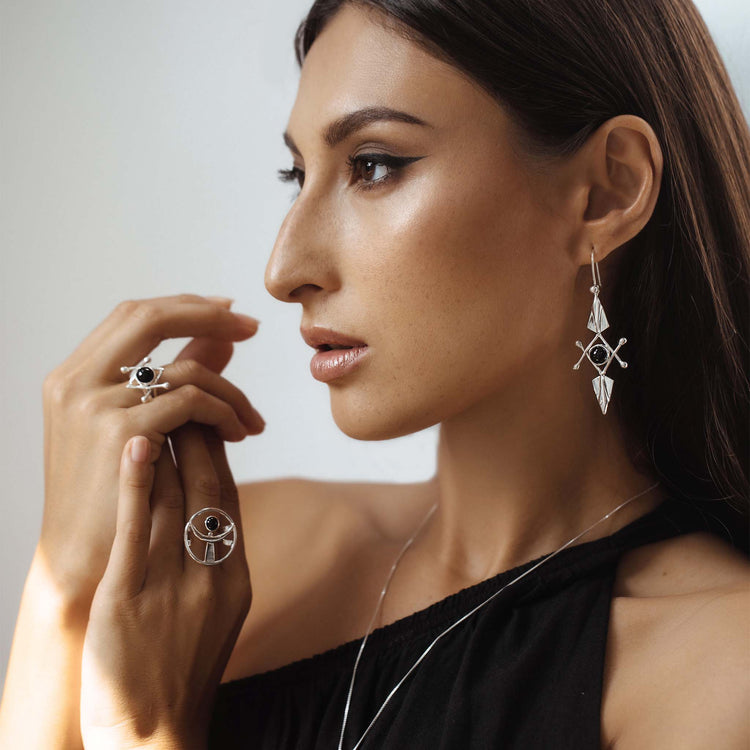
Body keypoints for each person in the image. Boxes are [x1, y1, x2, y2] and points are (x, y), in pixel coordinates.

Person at [1, 0, 749, 747]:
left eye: (374, 165)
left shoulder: (715, 666)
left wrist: (147, 731)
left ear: (606, 190)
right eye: (298, 174)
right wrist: (65, 576)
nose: (284, 269)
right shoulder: (224, 554)